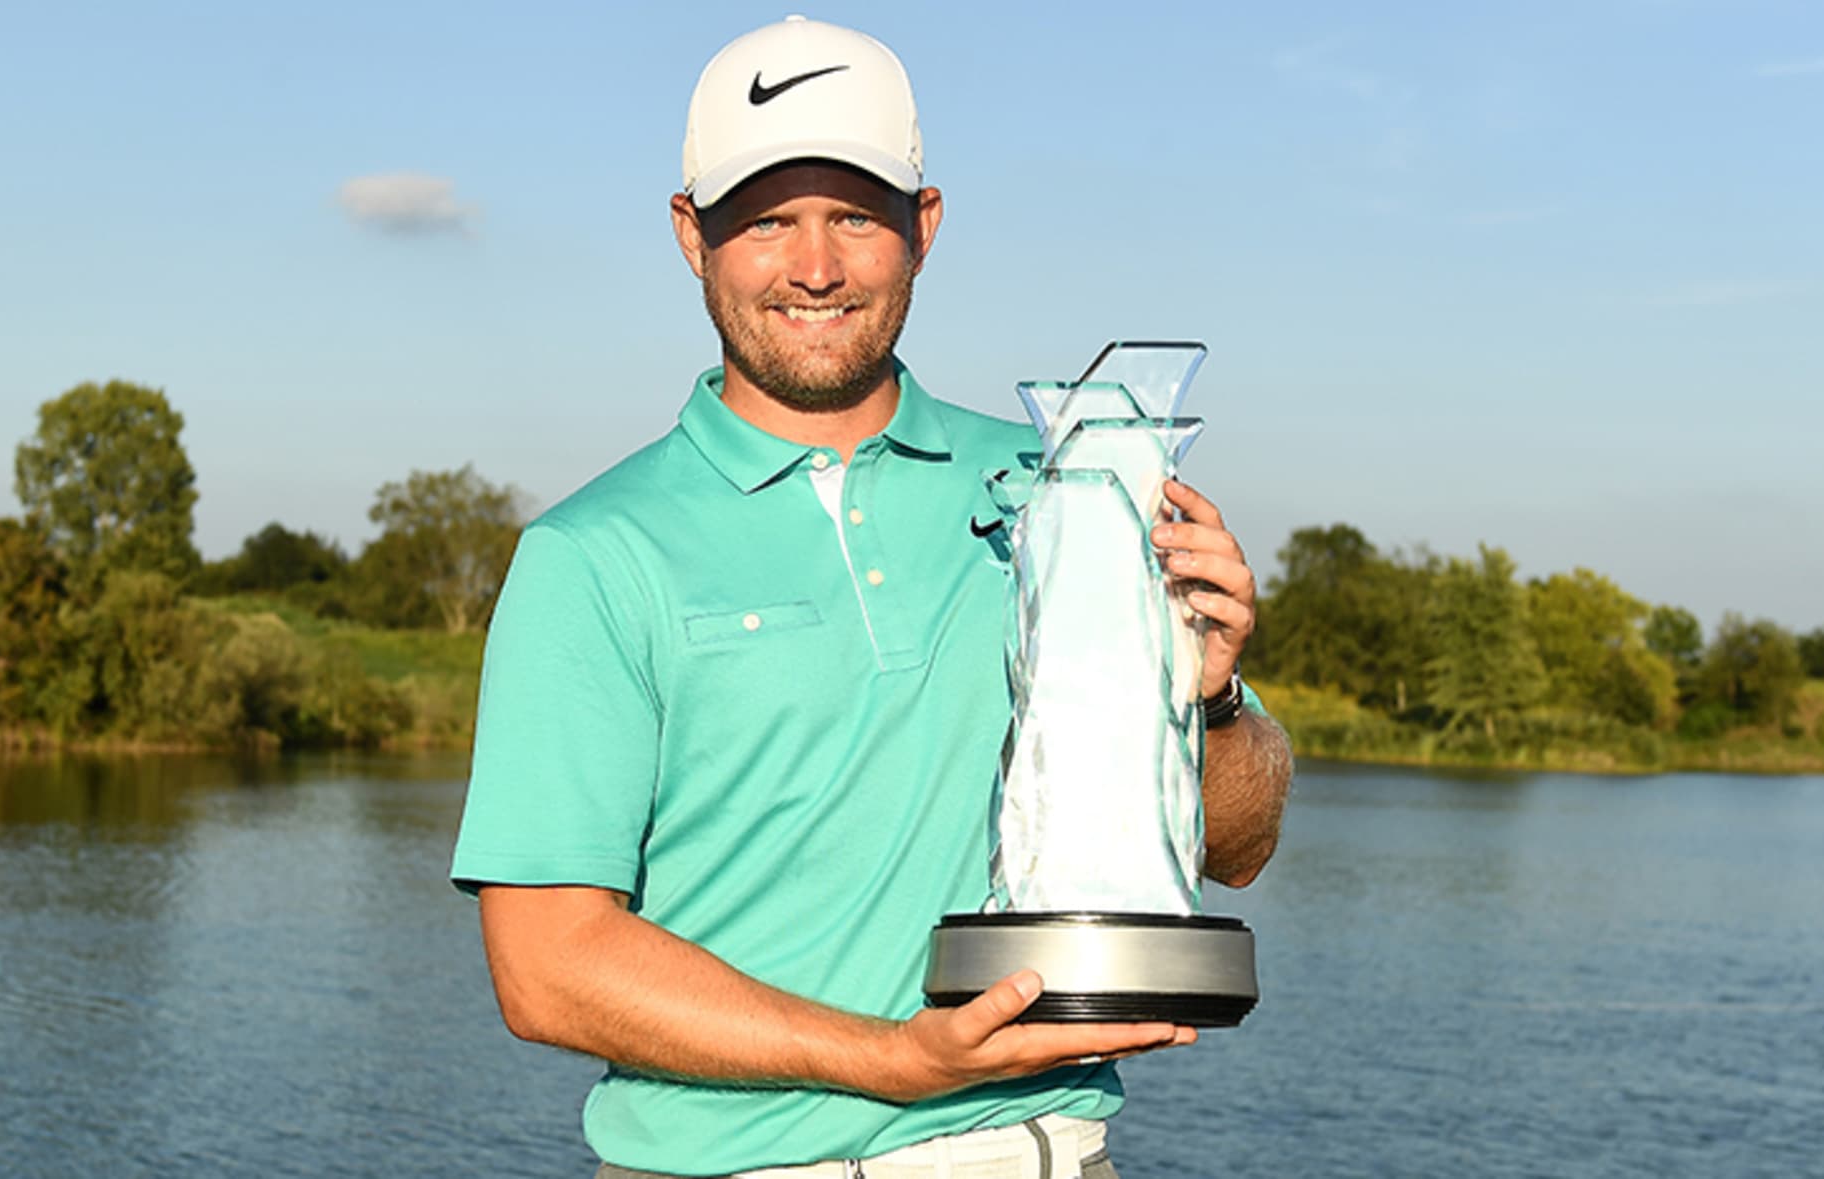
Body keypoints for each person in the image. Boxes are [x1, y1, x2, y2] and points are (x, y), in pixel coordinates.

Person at [451, 16, 1293, 1178]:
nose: (814, 267)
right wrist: (891, 1059)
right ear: (693, 236)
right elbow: (546, 967)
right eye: (766, 221)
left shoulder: (1070, 486)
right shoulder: (592, 554)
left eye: (854, 215)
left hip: (1042, 1155)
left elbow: (1236, 852)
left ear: (924, 227)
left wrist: (1209, 702)